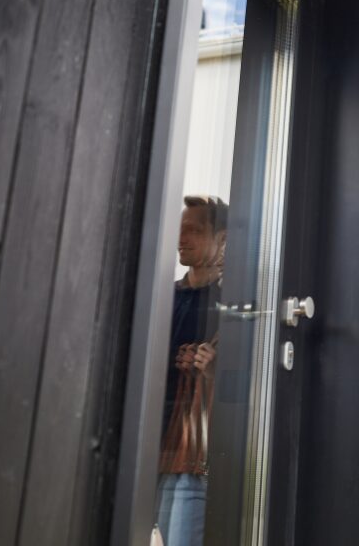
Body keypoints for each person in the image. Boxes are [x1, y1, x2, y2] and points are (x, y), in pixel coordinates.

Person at [156, 195, 228, 546]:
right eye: (179, 229)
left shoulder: (233, 303)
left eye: (194, 230)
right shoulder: (162, 297)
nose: (181, 238)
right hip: (152, 449)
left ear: (223, 239)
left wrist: (216, 370)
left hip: (196, 454)